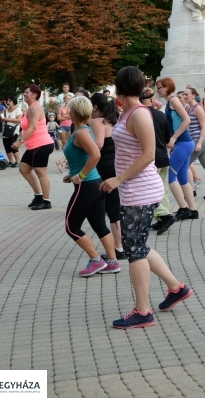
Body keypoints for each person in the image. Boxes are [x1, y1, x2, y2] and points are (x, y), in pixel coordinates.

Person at [101, 66, 193, 329]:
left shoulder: (140, 114)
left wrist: (118, 179)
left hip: (140, 190)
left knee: (135, 251)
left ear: (120, 86)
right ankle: (176, 288)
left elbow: (149, 154)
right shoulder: (127, 112)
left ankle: (143, 311)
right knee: (137, 245)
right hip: (134, 190)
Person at [62, 96, 121, 277]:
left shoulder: (82, 132)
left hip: (87, 185)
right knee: (99, 225)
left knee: (71, 226)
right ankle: (112, 262)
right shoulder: (83, 130)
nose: (68, 112)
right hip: (94, 183)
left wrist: (80, 176)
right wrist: (73, 174)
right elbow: (84, 157)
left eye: (70, 109)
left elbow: (95, 154)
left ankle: (96, 260)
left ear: (74, 112)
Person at [155, 78, 198, 222]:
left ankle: (183, 209)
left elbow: (187, 120)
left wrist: (173, 138)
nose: (157, 90)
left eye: (159, 87)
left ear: (167, 88)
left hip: (184, 143)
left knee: (171, 177)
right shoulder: (170, 102)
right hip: (184, 143)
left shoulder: (173, 100)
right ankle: (193, 210)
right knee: (182, 178)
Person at [89, 93, 124, 256]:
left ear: (95, 107)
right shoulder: (113, 120)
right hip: (115, 166)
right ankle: (120, 244)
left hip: (104, 167)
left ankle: (119, 247)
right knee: (114, 206)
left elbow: (98, 144)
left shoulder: (98, 121)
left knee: (111, 207)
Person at [139, 88, 177, 235]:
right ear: (152, 99)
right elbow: (168, 137)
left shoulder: (139, 115)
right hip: (162, 156)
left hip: (148, 159)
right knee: (163, 190)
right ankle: (163, 219)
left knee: (148, 191)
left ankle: (165, 216)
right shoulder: (160, 115)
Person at [13, 84, 54, 210]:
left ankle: (46, 201)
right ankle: (38, 196)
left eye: (27, 92)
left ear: (34, 95)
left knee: (41, 173)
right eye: (24, 92)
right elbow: (26, 128)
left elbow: (33, 127)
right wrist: (19, 140)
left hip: (41, 144)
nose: (24, 94)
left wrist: (20, 142)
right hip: (33, 146)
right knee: (24, 168)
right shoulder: (30, 108)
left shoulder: (34, 108)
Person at [0, 95, 22, 167]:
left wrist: (7, 119)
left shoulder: (17, 110)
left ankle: (18, 161)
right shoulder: (5, 110)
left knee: (13, 146)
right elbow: (2, 121)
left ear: (14, 102)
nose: (8, 102)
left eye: (10, 101)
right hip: (5, 131)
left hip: (14, 131)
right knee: (7, 147)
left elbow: (19, 120)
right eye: (7, 101)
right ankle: (10, 161)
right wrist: (1, 117)